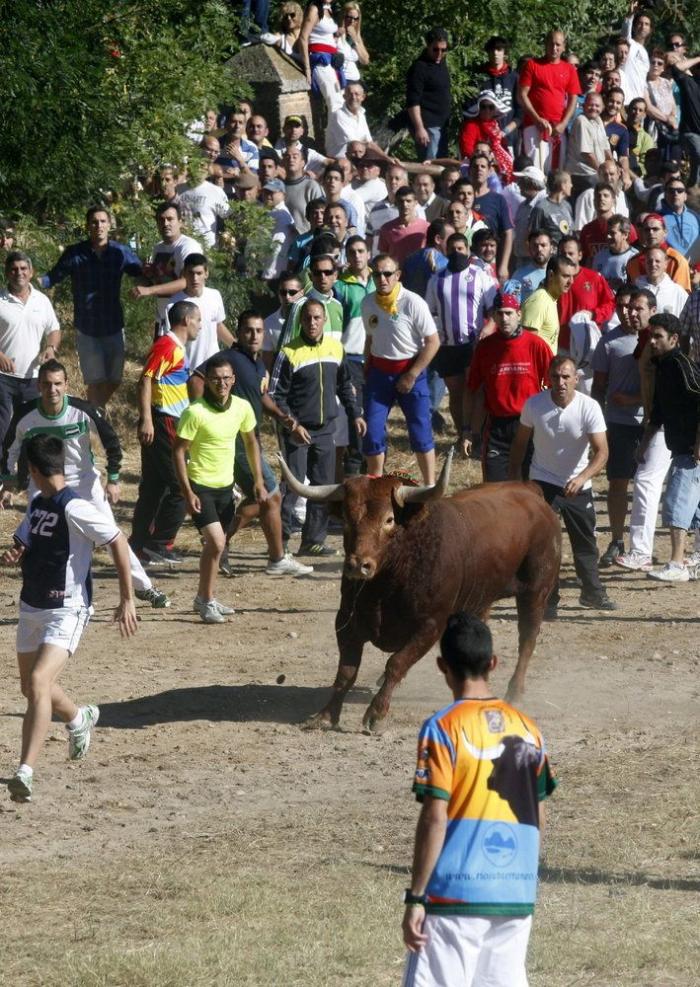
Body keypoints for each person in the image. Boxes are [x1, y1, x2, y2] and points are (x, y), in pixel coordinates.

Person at [401, 611, 557, 987]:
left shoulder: (442, 727)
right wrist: (521, 876)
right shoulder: (530, 730)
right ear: (493, 664)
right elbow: (540, 814)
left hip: (456, 894)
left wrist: (416, 897)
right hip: (515, 895)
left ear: (442, 666)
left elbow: (435, 817)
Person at [1, 433, 138, 803]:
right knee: (30, 687)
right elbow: (26, 545)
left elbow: (118, 540)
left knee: (39, 682)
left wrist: (127, 598)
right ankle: (79, 719)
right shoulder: (37, 503)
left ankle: (24, 771)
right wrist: (15, 557)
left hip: (67, 608)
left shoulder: (75, 507)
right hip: (31, 606)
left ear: (32, 469)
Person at [1, 359, 169, 608]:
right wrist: (6, 484)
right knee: (38, 539)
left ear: (66, 384)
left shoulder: (82, 410)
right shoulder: (27, 415)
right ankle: (39, 595)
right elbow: (8, 450)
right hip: (44, 486)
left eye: (58, 384)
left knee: (111, 536)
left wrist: (113, 479)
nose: (52, 390)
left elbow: (112, 443)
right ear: (38, 386)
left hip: (84, 484)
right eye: (46, 384)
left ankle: (145, 588)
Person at [190, 312, 313, 579]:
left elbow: (262, 396)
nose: (254, 336)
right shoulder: (230, 359)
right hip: (233, 440)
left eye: (258, 331)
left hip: (250, 437)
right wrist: (206, 415)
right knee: (271, 495)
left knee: (266, 498)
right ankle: (276, 558)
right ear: (239, 332)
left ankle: (219, 540)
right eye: (248, 331)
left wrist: (284, 418)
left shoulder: (255, 364)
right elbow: (197, 380)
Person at [510, 355, 616, 615]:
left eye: (566, 377)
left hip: (578, 484)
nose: (561, 382)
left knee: (585, 543)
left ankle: (592, 593)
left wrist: (582, 478)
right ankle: (547, 599)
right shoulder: (534, 405)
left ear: (576, 380)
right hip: (542, 482)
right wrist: (518, 484)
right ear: (547, 378)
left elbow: (602, 452)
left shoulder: (589, 407)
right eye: (556, 377)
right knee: (544, 545)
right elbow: (519, 446)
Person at [174, 353, 268, 623]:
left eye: (226, 378)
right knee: (215, 542)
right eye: (215, 379)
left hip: (226, 487)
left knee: (217, 546)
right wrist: (187, 491)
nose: (222, 383)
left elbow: (251, 442)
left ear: (233, 380)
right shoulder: (195, 412)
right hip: (200, 486)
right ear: (207, 382)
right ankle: (206, 601)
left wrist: (258, 479)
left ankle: (205, 597)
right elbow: (178, 452)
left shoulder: (242, 408)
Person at [271, 299, 365, 555]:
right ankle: (280, 542)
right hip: (296, 430)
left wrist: (355, 414)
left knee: (323, 486)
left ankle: (314, 540)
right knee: (293, 484)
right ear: (301, 321)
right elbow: (275, 395)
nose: (312, 323)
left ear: (325, 320)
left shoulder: (336, 349)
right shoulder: (288, 352)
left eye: (316, 318)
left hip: (326, 429)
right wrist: (292, 424)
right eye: (307, 318)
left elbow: (346, 385)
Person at [39, 206, 142, 408]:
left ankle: (91, 410)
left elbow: (141, 274)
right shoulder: (75, 253)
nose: (99, 226)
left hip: (113, 324)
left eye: (103, 221)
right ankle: (95, 419)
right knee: (95, 381)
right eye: (94, 222)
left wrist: (159, 279)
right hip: (87, 328)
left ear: (110, 225)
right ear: (88, 226)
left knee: (115, 378)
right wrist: (33, 281)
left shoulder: (120, 252)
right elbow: (53, 277)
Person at [129, 300, 201, 566]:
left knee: (153, 486)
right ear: (186, 320)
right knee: (180, 486)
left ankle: (138, 545)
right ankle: (160, 543)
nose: (200, 326)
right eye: (198, 320)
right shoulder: (168, 346)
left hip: (164, 420)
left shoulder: (175, 348)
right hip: (165, 422)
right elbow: (146, 379)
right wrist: (146, 419)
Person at [361, 255, 439, 484]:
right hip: (379, 373)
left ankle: (430, 486)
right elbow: (369, 338)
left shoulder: (413, 302)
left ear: (398, 275)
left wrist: (412, 375)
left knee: (420, 433)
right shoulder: (367, 303)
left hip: (411, 370)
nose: (382, 279)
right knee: (373, 433)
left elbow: (433, 342)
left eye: (387, 274)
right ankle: (375, 484)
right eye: (377, 274)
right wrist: (366, 369)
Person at [463, 292, 552, 481]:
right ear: (493, 316)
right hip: (497, 426)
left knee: (531, 486)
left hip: (529, 423)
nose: (504, 319)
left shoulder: (536, 345)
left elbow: (554, 385)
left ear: (519, 314)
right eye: (500, 313)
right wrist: (469, 430)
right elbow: (474, 391)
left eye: (509, 313)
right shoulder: (485, 347)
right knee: (493, 489)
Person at [591, 288, 647, 567]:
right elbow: (598, 387)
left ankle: (642, 546)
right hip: (619, 423)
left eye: (632, 307)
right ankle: (616, 539)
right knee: (618, 483)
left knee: (646, 487)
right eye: (621, 307)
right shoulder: (608, 342)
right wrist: (595, 424)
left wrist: (635, 399)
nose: (627, 313)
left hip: (650, 423)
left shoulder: (653, 338)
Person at [642, 314, 700, 580]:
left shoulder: (680, 365)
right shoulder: (663, 366)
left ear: (674, 339)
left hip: (690, 449)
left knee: (677, 503)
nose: (652, 342)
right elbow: (658, 412)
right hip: (682, 447)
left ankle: (676, 564)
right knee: (694, 508)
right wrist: (643, 444)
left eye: (658, 337)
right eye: (651, 336)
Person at [426, 233, 497, 434]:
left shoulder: (481, 276)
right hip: (447, 346)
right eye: (452, 249)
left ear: (467, 250)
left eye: (460, 249)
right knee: (456, 394)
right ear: (446, 251)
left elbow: (493, 311)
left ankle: (474, 434)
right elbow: (429, 312)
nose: (457, 253)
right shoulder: (436, 279)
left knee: (473, 390)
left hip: (473, 344)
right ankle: (460, 434)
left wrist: (488, 328)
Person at [0, 251, 61, 447]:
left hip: (33, 377)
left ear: (31, 272)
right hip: (3, 377)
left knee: (30, 428)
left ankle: (27, 475)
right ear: (7, 273)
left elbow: (54, 329)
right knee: (1, 426)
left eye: (23, 268)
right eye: (14, 269)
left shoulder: (41, 301)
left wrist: (51, 348)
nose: (19, 273)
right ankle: (2, 471)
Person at [334, 235, 374, 474]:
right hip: (352, 359)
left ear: (368, 253)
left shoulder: (380, 279)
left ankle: (374, 468)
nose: (357, 256)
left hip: (378, 359)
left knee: (375, 414)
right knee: (355, 415)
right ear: (346, 257)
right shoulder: (340, 286)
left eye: (361, 251)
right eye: (352, 252)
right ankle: (353, 470)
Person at [518, 29, 581, 172]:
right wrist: (536, 119)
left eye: (558, 45)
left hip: (558, 127)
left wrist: (564, 123)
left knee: (556, 170)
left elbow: (573, 97)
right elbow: (522, 94)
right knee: (534, 169)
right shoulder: (532, 65)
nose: (554, 48)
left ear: (564, 46)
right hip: (534, 125)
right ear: (545, 44)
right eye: (551, 44)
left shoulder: (569, 69)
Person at [133, 201, 202, 329]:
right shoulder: (158, 248)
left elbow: (187, 281)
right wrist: (147, 276)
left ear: (180, 221)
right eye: (161, 220)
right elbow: (159, 280)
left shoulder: (188, 247)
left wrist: (149, 290)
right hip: (163, 316)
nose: (165, 224)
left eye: (170, 219)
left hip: (185, 318)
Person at [164, 253, 233, 367]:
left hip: (213, 367)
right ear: (184, 273)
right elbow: (171, 340)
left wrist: (237, 347)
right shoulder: (173, 304)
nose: (195, 278)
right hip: (187, 368)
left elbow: (218, 325)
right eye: (191, 273)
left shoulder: (215, 295)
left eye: (199, 273)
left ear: (206, 273)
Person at [405, 28, 452, 161]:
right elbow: (412, 101)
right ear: (428, 46)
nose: (439, 53)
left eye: (443, 50)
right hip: (428, 126)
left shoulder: (441, 63)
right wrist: (419, 128)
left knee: (441, 164)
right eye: (435, 49)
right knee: (430, 165)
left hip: (442, 125)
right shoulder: (419, 68)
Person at [520, 254, 576, 353]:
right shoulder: (539, 300)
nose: (571, 281)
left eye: (572, 276)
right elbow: (526, 346)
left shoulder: (550, 299)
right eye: (566, 276)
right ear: (551, 275)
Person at [296, 0, 345, 111]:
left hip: (333, 61)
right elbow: (303, 38)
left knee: (341, 100)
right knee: (335, 104)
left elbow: (327, 37)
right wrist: (307, 68)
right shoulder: (314, 9)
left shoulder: (330, 9)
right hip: (321, 61)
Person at [564, 92, 611, 191]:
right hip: (583, 174)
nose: (594, 108)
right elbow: (587, 154)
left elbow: (606, 149)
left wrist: (612, 166)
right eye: (590, 105)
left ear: (602, 108)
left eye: (597, 106)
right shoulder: (581, 121)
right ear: (583, 106)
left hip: (595, 171)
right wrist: (602, 172)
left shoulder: (598, 120)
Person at [378, 186, 429, 266]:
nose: (405, 204)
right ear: (396, 203)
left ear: (415, 202)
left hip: (419, 275)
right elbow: (383, 257)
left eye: (408, 201)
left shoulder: (426, 227)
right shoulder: (386, 229)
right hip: (396, 276)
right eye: (401, 201)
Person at [263, 273, 304, 370]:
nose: (287, 297)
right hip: (281, 377)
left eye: (292, 292)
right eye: (283, 292)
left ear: (302, 293)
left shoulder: (311, 319)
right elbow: (267, 358)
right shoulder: (269, 322)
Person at [634, 245, 689, 315]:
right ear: (645, 264)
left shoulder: (677, 292)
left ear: (665, 264)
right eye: (649, 261)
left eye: (657, 261)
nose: (653, 264)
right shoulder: (636, 289)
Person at [511, 165, 547, 265]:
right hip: (521, 260)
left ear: (532, 183)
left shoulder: (544, 205)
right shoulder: (523, 205)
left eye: (521, 181)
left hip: (537, 262)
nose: (518, 184)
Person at [527, 169, 574, 246]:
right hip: (551, 256)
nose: (572, 185)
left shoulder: (567, 206)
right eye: (570, 182)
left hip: (566, 255)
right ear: (563, 185)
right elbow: (532, 237)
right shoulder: (541, 208)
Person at [592, 214, 638, 290]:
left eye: (612, 233)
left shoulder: (634, 257)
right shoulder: (599, 256)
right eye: (607, 233)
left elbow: (638, 287)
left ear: (625, 235)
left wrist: (622, 286)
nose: (608, 237)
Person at [507, 230, 553, 305]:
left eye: (543, 245)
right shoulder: (519, 275)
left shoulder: (559, 274)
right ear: (529, 249)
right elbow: (511, 306)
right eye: (535, 245)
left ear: (551, 248)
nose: (539, 249)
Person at [658, 180, 700, 258]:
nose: (675, 193)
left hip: (696, 267)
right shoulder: (657, 218)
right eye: (671, 190)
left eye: (680, 190)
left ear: (685, 196)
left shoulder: (696, 217)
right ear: (665, 194)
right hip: (670, 266)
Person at [336, 2, 369, 83]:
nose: (352, 21)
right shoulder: (336, 31)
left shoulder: (356, 36)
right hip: (340, 78)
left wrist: (355, 39)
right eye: (349, 17)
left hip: (355, 79)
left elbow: (365, 60)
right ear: (343, 16)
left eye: (355, 19)